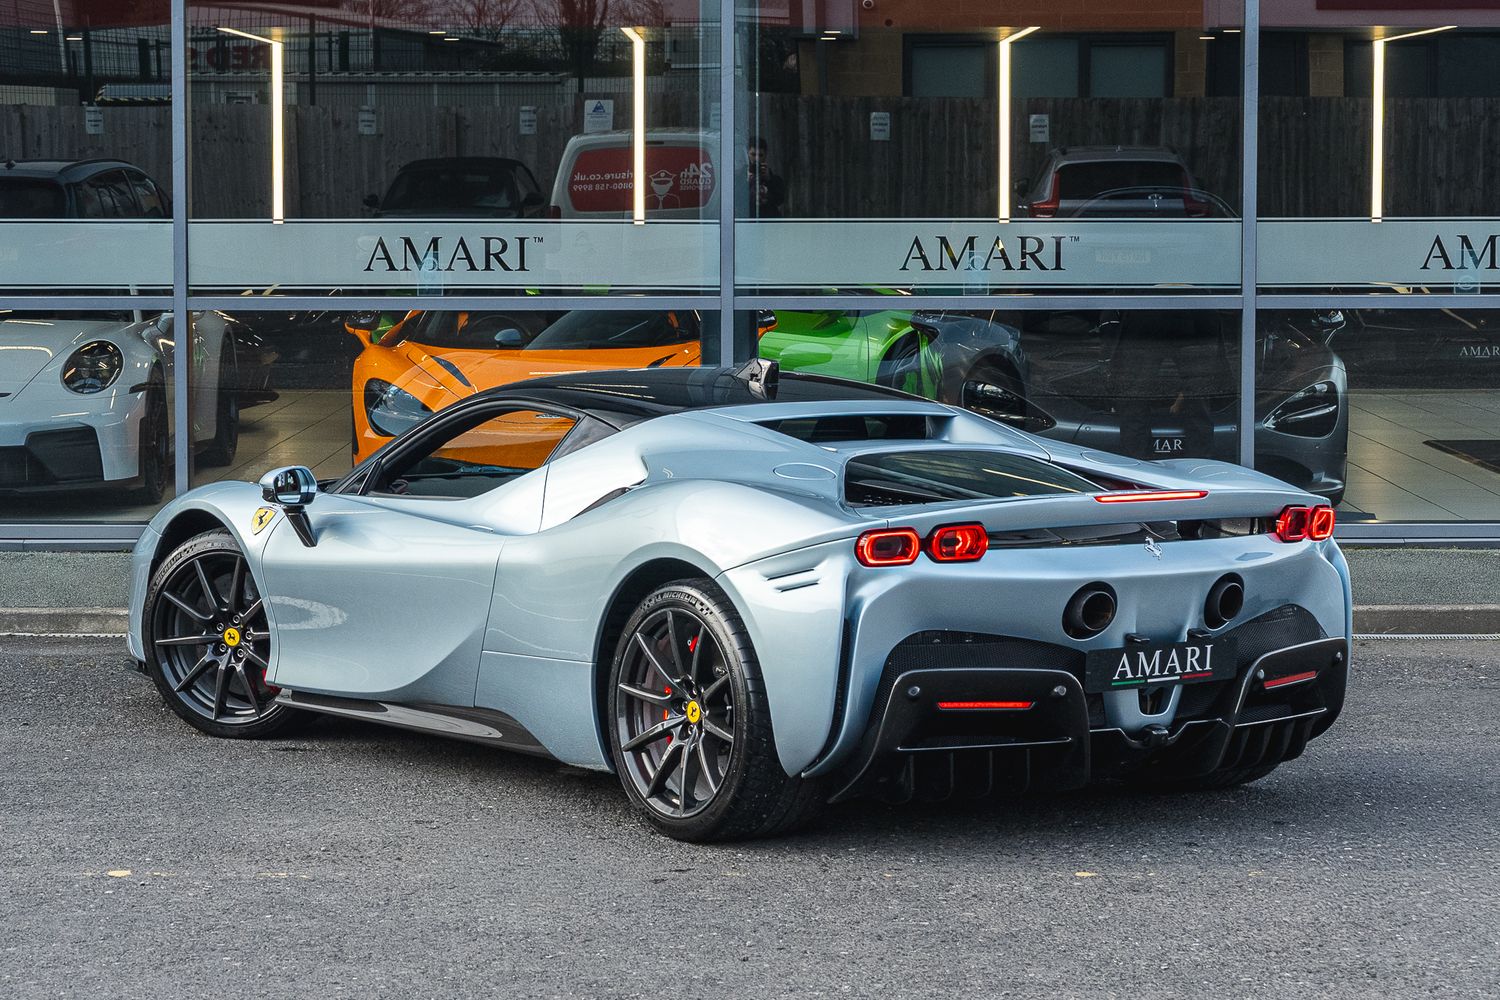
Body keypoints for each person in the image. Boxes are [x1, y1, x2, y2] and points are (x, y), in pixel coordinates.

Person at [747, 137, 786, 218]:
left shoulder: (773, 179)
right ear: (747, 154)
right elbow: (735, 202)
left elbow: (780, 200)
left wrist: (770, 180)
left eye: (760, 155)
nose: (756, 159)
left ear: (765, 155)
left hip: (768, 223)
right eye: (753, 155)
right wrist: (747, 182)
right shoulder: (738, 177)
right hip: (747, 223)